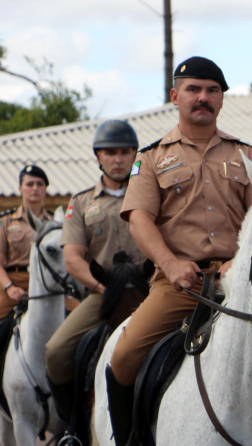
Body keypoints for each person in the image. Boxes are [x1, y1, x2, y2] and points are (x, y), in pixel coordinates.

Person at [104, 57, 252, 445]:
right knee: (122, 359)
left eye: (212, 90)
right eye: (193, 89)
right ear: (175, 96)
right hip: (178, 285)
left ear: (222, 99)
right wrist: (171, 264)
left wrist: (238, 262)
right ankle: (130, 440)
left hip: (237, 282)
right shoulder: (152, 157)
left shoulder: (246, 155)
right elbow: (139, 219)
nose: (203, 98)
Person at [44, 120, 146, 432]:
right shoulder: (82, 202)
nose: (118, 159)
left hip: (149, 292)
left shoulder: (153, 195)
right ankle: (72, 425)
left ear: (134, 156)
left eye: (125, 152)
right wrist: (103, 286)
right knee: (55, 352)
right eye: (110, 153)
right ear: (98, 157)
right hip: (102, 294)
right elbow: (73, 258)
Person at [0, 165, 54, 320]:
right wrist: (9, 288)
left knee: (76, 317)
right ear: (20, 188)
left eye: (40, 184)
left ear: (45, 189)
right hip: (15, 282)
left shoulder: (54, 222)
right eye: (29, 184)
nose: (35, 188)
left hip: (49, 285)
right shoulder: (6, 222)